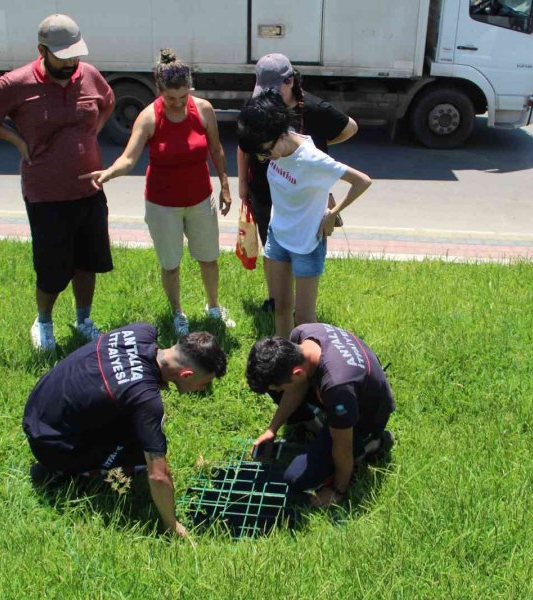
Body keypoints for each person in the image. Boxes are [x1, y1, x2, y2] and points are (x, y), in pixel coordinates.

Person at [0, 14, 114, 352]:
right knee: (52, 266)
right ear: (42, 50)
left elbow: (108, 102)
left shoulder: (88, 75)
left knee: (88, 261)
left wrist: (92, 135)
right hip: (46, 194)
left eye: (75, 54)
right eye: (63, 55)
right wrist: (16, 141)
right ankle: (44, 321)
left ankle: (83, 319)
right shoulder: (17, 83)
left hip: (89, 189)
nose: (72, 62)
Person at [80, 49, 235, 338]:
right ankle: (177, 312)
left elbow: (216, 149)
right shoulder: (148, 117)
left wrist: (225, 185)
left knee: (209, 257)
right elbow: (128, 158)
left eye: (182, 97)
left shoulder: (203, 109)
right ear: (159, 91)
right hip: (163, 204)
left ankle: (214, 307)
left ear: (190, 89)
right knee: (171, 263)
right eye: (170, 98)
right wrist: (107, 174)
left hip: (201, 198)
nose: (177, 104)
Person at [23, 323, 227, 538]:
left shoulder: (141, 330)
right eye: (203, 383)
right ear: (186, 375)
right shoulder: (146, 400)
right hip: (49, 441)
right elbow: (158, 474)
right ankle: (56, 471)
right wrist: (172, 524)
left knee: (136, 423)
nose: (202, 389)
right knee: (141, 454)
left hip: (37, 407)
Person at [237, 92, 371, 338]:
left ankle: (310, 367)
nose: (263, 158)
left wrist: (332, 213)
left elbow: (362, 181)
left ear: (280, 135)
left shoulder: (311, 158)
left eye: (265, 152)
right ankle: (283, 360)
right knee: (281, 309)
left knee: (305, 318)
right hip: (278, 236)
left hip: (307, 242)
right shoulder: (274, 145)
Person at [246, 323, 395, 507]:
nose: (281, 391)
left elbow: (342, 448)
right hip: (346, 393)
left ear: (298, 373)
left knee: (296, 479)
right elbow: (296, 386)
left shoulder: (336, 386)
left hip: (368, 414)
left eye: (282, 386)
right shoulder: (301, 335)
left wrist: (338, 490)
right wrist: (272, 429)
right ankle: (312, 425)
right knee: (275, 386)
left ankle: (373, 443)